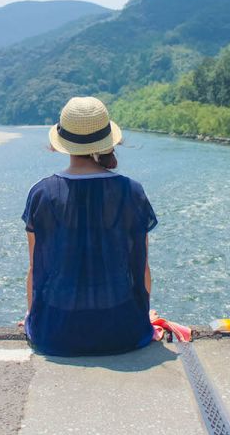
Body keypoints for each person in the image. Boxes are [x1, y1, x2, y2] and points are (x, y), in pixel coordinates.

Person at [21, 96, 158, 356]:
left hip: (56, 330)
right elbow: (141, 267)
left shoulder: (42, 193)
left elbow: (35, 268)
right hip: (122, 329)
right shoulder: (132, 191)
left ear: (62, 142)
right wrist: (142, 316)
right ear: (107, 139)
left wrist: (33, 316)